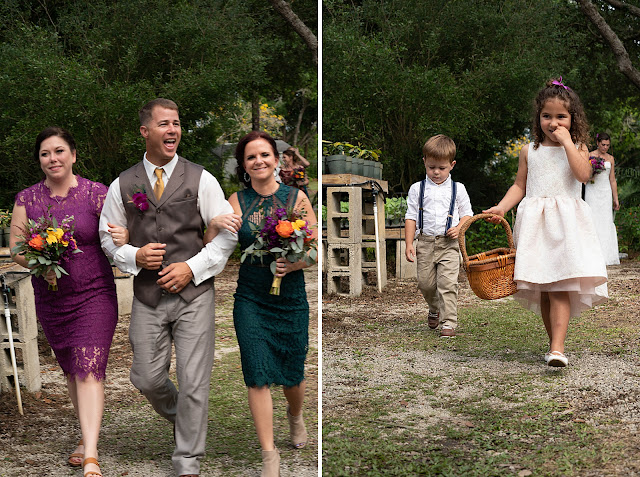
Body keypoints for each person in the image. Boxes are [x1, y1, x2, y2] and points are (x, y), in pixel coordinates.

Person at [98, 98, 238, 477]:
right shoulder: (123, 184)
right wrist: (133, 256)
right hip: (147, 296)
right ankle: (187, 423)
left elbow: (226, 233)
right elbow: (107, 238)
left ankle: (187, 459)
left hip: (194, 296)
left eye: (176, 123)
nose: (172, 130)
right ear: (145, 131)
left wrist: (192, 269)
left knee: (195, 382)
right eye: (164, 124)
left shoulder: (201, 178)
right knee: (145, 376)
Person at [9, 127, 117, 477]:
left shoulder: (98, 194)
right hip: (53, 298)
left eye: (59, 151)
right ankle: (87, 436)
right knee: (72, 369)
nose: (52, 158)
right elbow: (16, 247)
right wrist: (39, 262)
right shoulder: (27, 198)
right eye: (45, 153)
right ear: (40, 160)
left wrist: (126, 238)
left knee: (88, 367)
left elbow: (118, 235)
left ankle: (91, 455)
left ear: (73, 155)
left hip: (95, 293)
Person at [209, 131, 316, 476]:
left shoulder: (296, 198)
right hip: (251, 296)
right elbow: (210, 244)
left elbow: (315, 251)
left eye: (264, 155)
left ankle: (295, 415)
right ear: (243, 165)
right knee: (257, 373)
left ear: (277, 159)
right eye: (251, 157)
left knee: (292, 375)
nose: (259, 161)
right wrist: (213, 223)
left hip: (291, 297)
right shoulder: (236, 201)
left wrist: (294, 263)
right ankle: (269, 456)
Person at [484, 77, 608, 367]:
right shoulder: (530, 151)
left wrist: (567, 143)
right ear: (538, 118)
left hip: (567, 225)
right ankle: (554, 342)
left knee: (561, 285)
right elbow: (520, 185)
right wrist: (502, 207)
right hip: (537, 224)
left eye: (561, 117)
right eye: (547, 116)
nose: (554, 122)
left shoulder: (579, 146)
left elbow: (583, 176)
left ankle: (557, 347)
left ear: (572, 119)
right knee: (543, 286)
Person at [404, 134, 473, 338]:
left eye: (441, 168)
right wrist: (409, 243)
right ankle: (434, 307)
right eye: (431, 167)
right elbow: (411, 216)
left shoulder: (458, 189)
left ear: (451, 165)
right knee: (425, 284)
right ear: (424, 162)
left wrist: (460, 227)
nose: (436, 172)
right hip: (425, 242)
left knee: (448, 284)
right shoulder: (417, 189)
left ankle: (448, 322)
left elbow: (468, 214)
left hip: (449, 244)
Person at [584, 132, 620, 265]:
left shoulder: (611, 159)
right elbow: (583, 175)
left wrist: (615, 198)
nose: (605, 147)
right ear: (598, 143)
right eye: (603, 144)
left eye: (607, 145)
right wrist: (591, 174)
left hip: (605, 192)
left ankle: (606, 255)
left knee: (605, 221)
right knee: (592, 220)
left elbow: (612, 180)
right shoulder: (590, 155)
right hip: (592, 190)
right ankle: (592, 255)